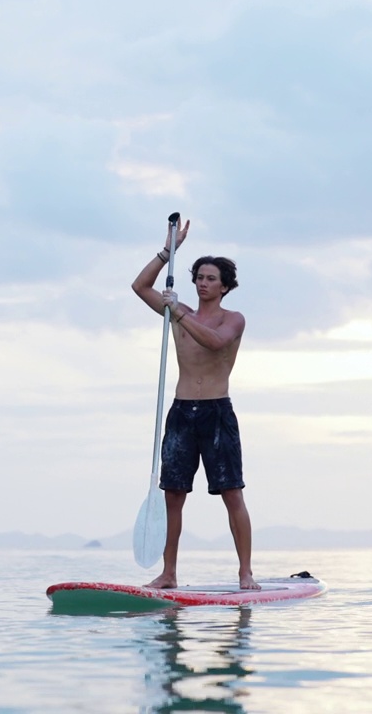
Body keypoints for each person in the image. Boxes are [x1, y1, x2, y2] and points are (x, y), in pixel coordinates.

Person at [131, 217, 258, 590]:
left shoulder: (233, 319)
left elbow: (215, 342)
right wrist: (167, 251)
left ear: (225, 286)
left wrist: (180, 311)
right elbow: (140, 286)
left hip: (217, 412)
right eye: (199, 277)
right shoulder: (176, 310)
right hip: (182, 412)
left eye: (211, 279)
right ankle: (169, 573)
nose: (203, 283)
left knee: (231, 492)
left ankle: (245, 572)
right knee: (173, 494)